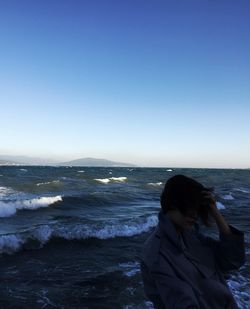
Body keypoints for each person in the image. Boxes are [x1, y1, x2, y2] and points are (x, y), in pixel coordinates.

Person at [140, 175, 245, 309]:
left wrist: (215, 211)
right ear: (169, 204)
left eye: (197, 207)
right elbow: (183, 303)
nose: (194, 214)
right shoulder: (158, 255)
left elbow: (232, 260)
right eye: (187, 207)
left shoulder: (193, 237)